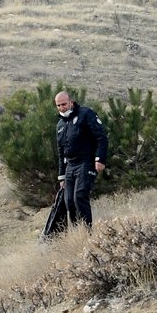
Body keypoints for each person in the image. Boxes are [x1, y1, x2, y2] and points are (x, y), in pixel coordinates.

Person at [54, 91, 108, 227]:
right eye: (58, 105)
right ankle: (78, 233)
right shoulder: (60, 125)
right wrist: (61, 176)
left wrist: (100, 158)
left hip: (86, 162)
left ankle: (87, 232)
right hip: (70, 166)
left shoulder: (86, 114)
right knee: (69, 202)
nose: (61, 108)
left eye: (64, 104)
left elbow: (101, 137)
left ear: (71, 102)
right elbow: (61, 152)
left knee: (79, 197)